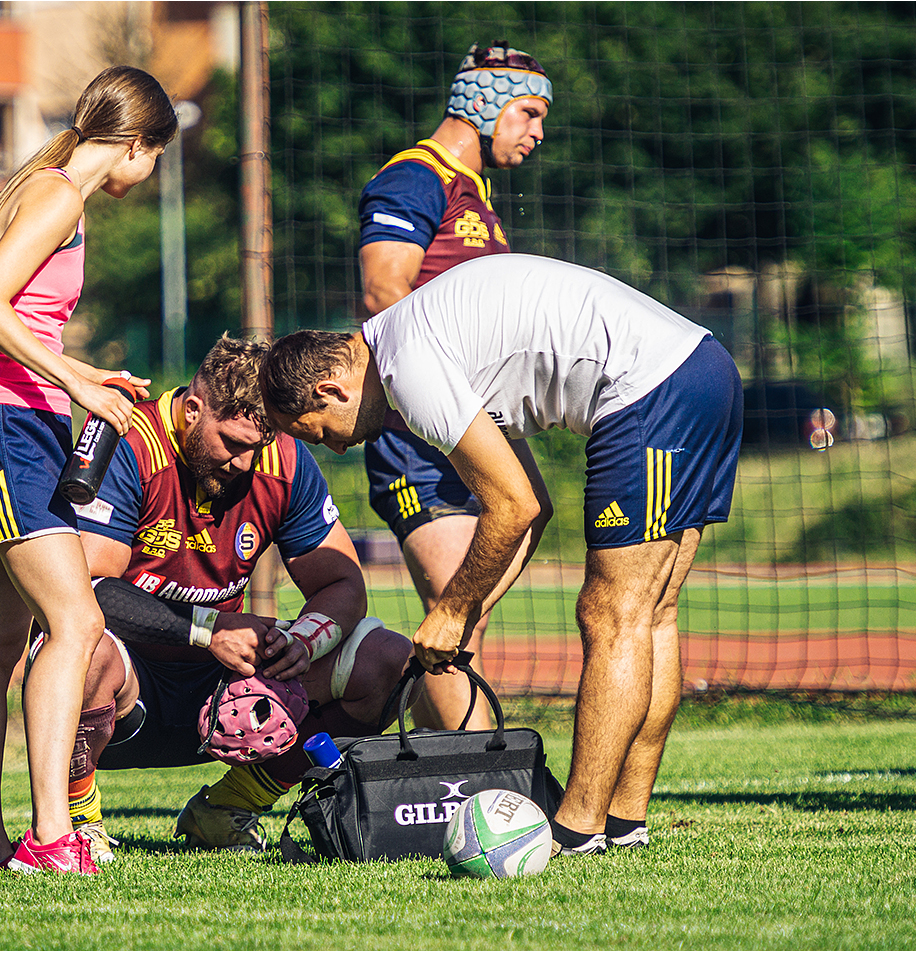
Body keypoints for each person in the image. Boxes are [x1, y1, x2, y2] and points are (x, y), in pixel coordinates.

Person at [260, 254, 744, 856]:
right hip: (702, 369)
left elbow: (509, 508)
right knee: (651, 614)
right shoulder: (424, 340)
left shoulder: (409, 370)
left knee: (610, 614)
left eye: (314, 430)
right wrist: (472, 610)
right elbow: (533, 506)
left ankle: (576, 829)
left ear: (329, 389)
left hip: (650, 391)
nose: (330, 448)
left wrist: (452, 609)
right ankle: (624, 821)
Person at [46, 335, 414, 859]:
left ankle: (228, 809)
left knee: (385, 659)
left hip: (225, 682)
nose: (244, 462)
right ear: (193, 410)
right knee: (81, 649)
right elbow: (86, 590)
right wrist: (208, 629)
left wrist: (303, 643)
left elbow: (342, 585)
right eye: (232, 443)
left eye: (255, 447)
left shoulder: (282, 457)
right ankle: (79, 821)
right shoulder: (131, 442)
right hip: (129, 682)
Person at [0, 65, 177, 874]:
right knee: (75, 626)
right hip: (6, 429)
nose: (148, 179)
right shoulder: (58, 195)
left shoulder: (37, 186)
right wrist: (74, 380)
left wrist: (79, 373)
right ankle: (49, 837)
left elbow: (17, 314)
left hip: (1, 424)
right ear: (139, 144)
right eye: (156, 160)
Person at [357, 42, 551, 731]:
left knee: (474, 601)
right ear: (483, 102)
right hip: (421, 432)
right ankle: (474, 774)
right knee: (453, 608)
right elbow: (383, 288)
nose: (535, 134)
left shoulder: (479, 193)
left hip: (476, 424)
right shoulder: (415, 176)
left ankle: (403, 710)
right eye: (527, 113)